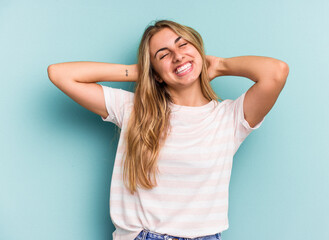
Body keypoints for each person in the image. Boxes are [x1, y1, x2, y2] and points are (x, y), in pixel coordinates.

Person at [47, 20, 289, 240]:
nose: (178, 56)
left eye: (183, 45)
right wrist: (140, 71)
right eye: (163, 55)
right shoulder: (133, 109)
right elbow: (60, 74)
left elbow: (276, 72)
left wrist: (221, 65)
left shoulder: (229, 118)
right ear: (156, 72)